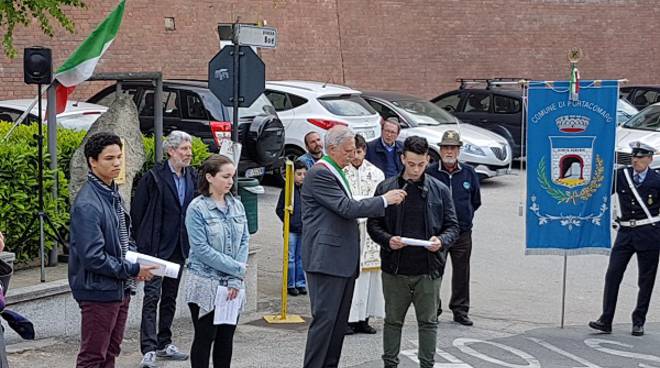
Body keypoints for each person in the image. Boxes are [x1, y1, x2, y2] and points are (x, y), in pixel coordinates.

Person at [301, 126, 407, 368]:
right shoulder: (321, 173)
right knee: (325, 322)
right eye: (348, 151)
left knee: (338, 325)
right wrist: (384, 200)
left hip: (341, 260)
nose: (352, 155)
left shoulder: (337, 170)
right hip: (326, 260)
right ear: (332, 149)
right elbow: (346, 207)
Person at [368, 136, 459, 368]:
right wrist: (389, 240)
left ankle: (426, 365)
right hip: (395, 268)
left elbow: (453, 226)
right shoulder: (386, 188)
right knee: (393, 321)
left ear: (428, 159)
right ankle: (390, 364)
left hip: (428, 269)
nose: (416, 169)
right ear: (402, 159)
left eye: (421, 164)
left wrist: (441, 240)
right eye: (411, 164)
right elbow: (373, 225)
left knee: (428, 323)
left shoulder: (439, 190)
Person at [68, 132, 157, 368]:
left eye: (119, 157)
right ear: (92, 161)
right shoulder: (88, 203)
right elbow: (93, 257)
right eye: (109, 158)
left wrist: (135, 261)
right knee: (93, 356)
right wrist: (133, 268)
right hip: (99, 290)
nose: (117, 163)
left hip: (119, 287)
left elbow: (124, 238)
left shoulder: (112, 193)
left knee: (110, 351)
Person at [132, 131, 196, 367]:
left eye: (189, 150)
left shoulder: (192, 176)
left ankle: (164, 342)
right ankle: (148, 349)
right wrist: (141, 245)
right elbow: (138, 212)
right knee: (152, 297)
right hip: (156, 247)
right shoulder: (154, 177)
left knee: (170, 297)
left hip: (179, 246)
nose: (188, 154)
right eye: (184, 149)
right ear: (171, 151)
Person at [184, 154, 249, 368]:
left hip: (233, 284)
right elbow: (201, 249)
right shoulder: (197, 208)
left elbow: (244, 240)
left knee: (226, 338)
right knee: (205, 338)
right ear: (210, 177)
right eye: (225, 176)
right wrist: (236, 268)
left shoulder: (237, 205)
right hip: (206, 282)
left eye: (232, 176)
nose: (230, 181)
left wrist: (235, 277)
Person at [589, 141, 660, 337]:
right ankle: (606, 319)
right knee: (613, 275)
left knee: (645, 280)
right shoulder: (622, 175)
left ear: (649, 159)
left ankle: (639, 321)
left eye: (640, 157)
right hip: (625, 233)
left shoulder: (657, 179)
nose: (636, 160)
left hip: (649, 233)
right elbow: (601, 191)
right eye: (634, 157)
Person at [426, 130, 481, 326]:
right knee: (434, 272)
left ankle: (460, 310)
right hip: (437, 233)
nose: (449, 151)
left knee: (462, 272)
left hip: (462, 232)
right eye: (446, 148)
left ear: (459, 150)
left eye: (453, 148)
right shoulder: (430, 172)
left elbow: (475, 200)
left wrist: (463, 220)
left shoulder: (469, 173)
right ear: (440, 150)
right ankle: (433, 309)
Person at [344, 134, 386, 335]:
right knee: (353, 277)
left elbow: (380, 200)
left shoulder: (376, 173)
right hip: (352, 229)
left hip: (371, 231)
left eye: (359, 152)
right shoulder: (342, 172)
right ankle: (348, 319)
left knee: (370, 279)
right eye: (352, 152)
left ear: (364, 151)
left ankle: (364, 319)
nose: (355, 157)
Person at [275, 160, 307, 296]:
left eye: (305, 174)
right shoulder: (288, 190)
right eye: (299, 174)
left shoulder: (307, 190)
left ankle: (300, 283)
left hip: (304, 229)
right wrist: (289, 221)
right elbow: (279, 209)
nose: (302, 177)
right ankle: (290, 284)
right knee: (291, 257)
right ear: (292, 175)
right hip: (291, 229)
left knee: (301, 257)